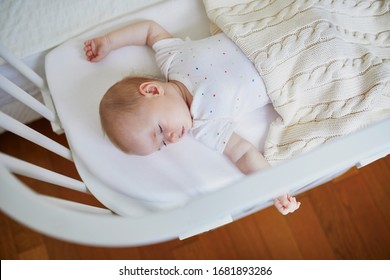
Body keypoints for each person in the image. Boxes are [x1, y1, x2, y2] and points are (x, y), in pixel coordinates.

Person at [84, 20, 300, 215]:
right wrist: (275, 188)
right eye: (162, 144)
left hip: (262, 28)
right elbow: (243, 154)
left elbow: (149, 30)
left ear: (151, 90)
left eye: (159, 130)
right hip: (288, 63)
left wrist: (109, 41)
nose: (171, 138)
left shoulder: (172, 59)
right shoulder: (205, 126)